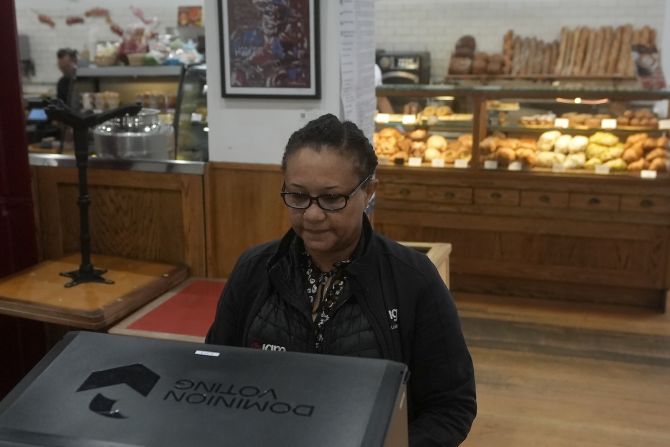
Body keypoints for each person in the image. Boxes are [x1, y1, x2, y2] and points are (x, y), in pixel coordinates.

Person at [206, 114, 476, 446]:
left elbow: (451, 405)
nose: (312, 215)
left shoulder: (412, 279)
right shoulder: (254, 269)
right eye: (298, 196)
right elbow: (215, 375)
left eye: (332, 199)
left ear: (369, 191)